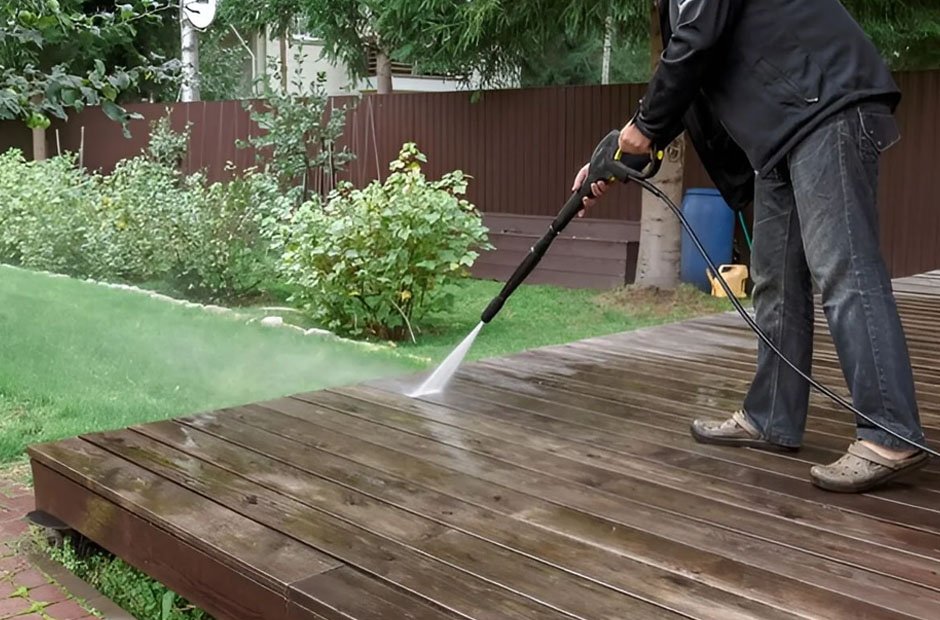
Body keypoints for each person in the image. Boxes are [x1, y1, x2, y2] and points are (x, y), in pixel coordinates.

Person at [573, 0, 929, 492]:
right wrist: (625, 152)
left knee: (844, 271)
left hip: (825, 106)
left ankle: (890, 434)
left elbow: (697, 41)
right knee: (774, 281)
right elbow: (691, 77)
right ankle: (771, 417)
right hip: (780, 134)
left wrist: (645, 127)